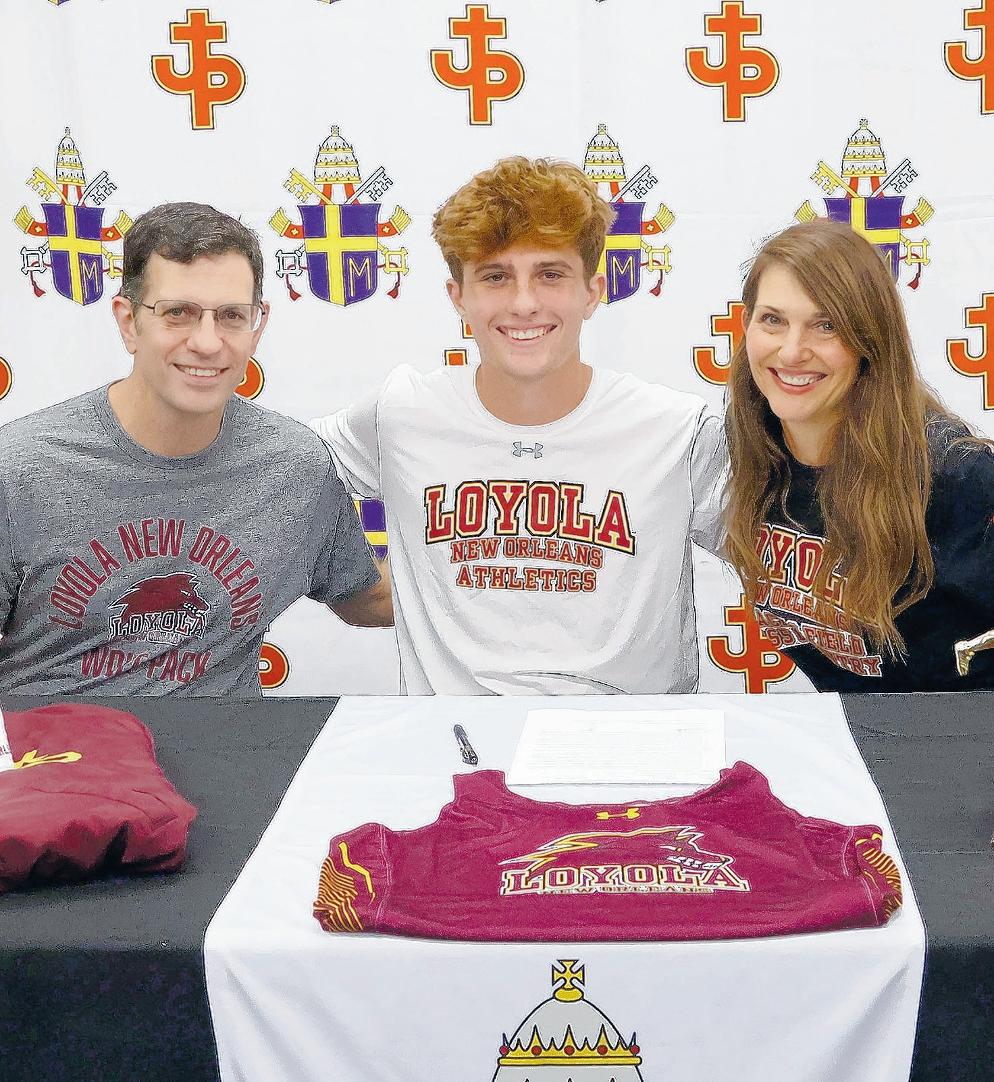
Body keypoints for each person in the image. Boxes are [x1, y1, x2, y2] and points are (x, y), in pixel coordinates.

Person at [312, 157, 726, 695]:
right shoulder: (400, 413)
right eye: (495, 277)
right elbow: (271, 474)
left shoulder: (676, 431)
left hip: (630, 735)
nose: (524, 303)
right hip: (454, 735)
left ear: (592, 292)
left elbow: (794, 557)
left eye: (550, 274)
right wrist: (352, 585)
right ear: (458, 297)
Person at [0, 202, 391, 696]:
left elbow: (364, 597)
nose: (207, 343)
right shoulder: (21, 468)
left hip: (225, 743)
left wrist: (481, 562)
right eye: (178, 313)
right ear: (128, 322)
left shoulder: (294, 467)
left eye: (231, 316)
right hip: (52, 742)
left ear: (258, 326)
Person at [724, 218, 994, 691]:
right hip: (849, 728)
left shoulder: (958, 477)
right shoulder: (754, 448)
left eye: (825, 325)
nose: (791, 351)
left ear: (869, 339)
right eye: (773, 320)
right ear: (746, 325)